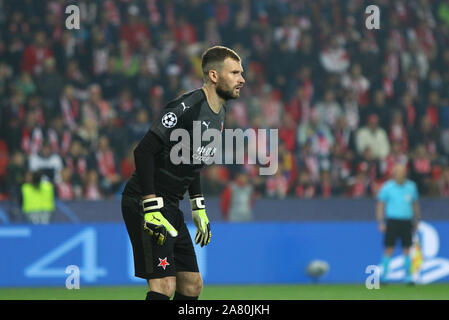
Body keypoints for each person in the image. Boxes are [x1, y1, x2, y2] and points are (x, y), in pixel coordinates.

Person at [121, 46, 245, 300]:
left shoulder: (220, 113)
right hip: (146, 202)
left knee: (191, 285)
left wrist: (198, 206)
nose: (242, 79)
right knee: (164, 285)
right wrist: (151, 206)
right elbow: (143, 152)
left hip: (172, 205)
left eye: (241, 73)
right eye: (234, 72)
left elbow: (192, 160)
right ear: (213, 75)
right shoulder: (186, 107)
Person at [376, 164, 421, 284]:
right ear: (394, 174)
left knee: (407, 248)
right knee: (389, 248)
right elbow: (381, 204)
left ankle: (409, 277)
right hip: (392, 221)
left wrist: (417, 219)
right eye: (398, 172)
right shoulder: (387, 187)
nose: (400, 174)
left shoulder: (411, 186)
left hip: (407, 221)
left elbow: (415, 204)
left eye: (402, 172)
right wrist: (381, 221)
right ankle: (384, 276)